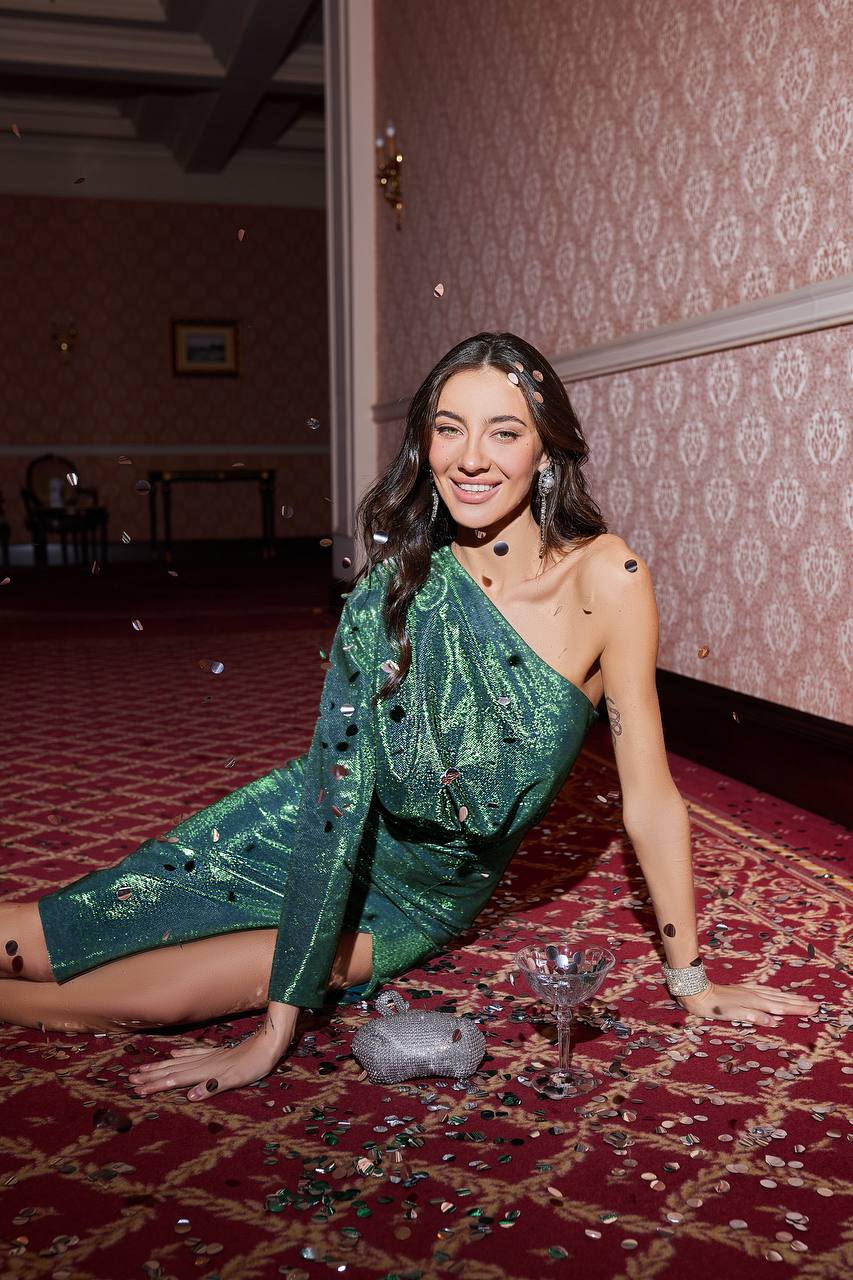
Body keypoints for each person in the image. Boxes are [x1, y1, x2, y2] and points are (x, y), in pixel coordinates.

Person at [0, 332, 819, 1102]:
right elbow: (334, 805)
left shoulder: (608, 578)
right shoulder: (385, 601)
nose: (470, 459)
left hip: (416, 903)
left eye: (503, 432)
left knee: (141, 1004)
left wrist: (692, 981)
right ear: (424, 448)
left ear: (544, 451)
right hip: (294, 832)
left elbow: (647, 797)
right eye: (447, 430)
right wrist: (279, 1033)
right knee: (40, 944)